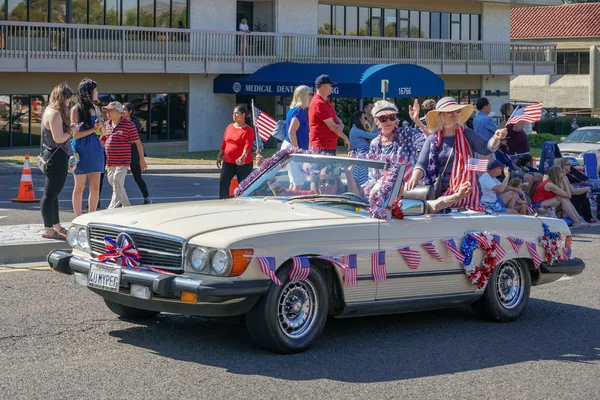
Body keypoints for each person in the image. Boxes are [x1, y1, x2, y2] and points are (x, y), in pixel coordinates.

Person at [406, 97, 507, 211]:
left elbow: (486, 148)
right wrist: (414, 178)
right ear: (441, 116)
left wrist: (496, 138)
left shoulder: (467, 134)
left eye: (457, 111)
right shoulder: (432, 140)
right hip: (441, 197)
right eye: (450, 111)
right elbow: (421, 165)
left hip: (468, 195)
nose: (455, 114)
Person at [40, 83, 76, 239]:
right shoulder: (54, 113)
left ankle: (55, 225)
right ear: (64, 98)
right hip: (56, 157)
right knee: (49, 195)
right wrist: (71, 132)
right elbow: (59, 138)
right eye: (69, 99)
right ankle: (49, 229)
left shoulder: (49, 110)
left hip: (54, 156)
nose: (69, 102)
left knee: (53, 194)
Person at [100, 102, 147, 209]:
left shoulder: (129, 125)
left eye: (110, 110)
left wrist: (141, 160)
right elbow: (102, 140)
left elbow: (138, 143)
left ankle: (110, 210)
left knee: (117, 180)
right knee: (115, 184)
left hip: (123, 161)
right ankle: (127, 207)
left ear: (119, 112)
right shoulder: (106, 124)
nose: (107, 113)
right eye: (106, 110)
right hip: (110, 162)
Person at [70, 78, 105, 217]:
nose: (97, 93)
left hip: (95, 147)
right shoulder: (76, 109)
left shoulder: (96, 109)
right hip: (80, 148)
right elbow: (75, 135)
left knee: (95, 187)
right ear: (89, 92)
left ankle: (92, 215)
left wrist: (101, 127)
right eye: (96, 90)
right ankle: (78, 217)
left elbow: (103, 132)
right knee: (79, 186)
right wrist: (93, 129)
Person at [367, 100, 425, 181]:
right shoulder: (375, 143)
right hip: (384, 189)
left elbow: (430, 142)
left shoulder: (406, 133)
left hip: (409, 189)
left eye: (392, 117)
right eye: (383, 118)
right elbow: (372, 175)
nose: (388, 121)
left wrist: (418, 122)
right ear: (376, 121)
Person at [216, 105, 255, 199]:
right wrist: (219, 157)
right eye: (233, 113)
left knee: (243, 185)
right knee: (223, 181)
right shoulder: (229, 127)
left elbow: (247, 145)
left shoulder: (248, 130)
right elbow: (224, 143)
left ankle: (243, 202)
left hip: (243, 164)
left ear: (243, 115)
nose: (234, 115)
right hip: (228, 162)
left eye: (236, 113)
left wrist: (243, 156)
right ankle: (223, 200)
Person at [308, 74, 349, 155]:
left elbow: (336, 118)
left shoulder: (325, 101)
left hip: (328, 146)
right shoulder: (319, 103)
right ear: (323, 86)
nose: (332, 87)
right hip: (322, 147)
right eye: (330, 85)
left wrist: (340, 125)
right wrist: (345, 138)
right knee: (319, 168)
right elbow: (333, 127)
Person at [281, 85, 311, 189]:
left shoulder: (294, 110)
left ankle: (287, 201)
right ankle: (292, 205)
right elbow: (291, 132)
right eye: (310, 94)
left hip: (289, 146)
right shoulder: (299, 111)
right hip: (293, 147)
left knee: (294, 182)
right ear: (303, 96)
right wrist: (297, 150)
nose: (311, 97)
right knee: (298, 183)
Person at [123, 102, 151, 204]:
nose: (123, 112)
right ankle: (120, 200)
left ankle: (146, 197)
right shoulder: (119, 121)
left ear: (130, 111)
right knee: (119, 179)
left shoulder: (134, 123)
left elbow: (134, 139)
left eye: (125, 110)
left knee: (137, 177)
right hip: (123, 153)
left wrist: (141, 158)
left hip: (133, 152)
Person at [554, 158, 596, 223]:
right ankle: (581, 219)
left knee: (582, 193)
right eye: (569, 164)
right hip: (556, 200)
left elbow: (572, 190)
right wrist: (586, 189)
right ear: (564, 166)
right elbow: (572, 192)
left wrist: (586, 189)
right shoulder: (561, 177)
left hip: (561, 198)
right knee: (573, 197)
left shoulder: (565, 177)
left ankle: (581, 219)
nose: (571, 166)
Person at [349, 110, 378, 184]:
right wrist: (383, 130)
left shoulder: (356, 129)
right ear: (359, 119)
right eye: (364, 118)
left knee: (360, 179)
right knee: (361, 180)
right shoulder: (355, 130)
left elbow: (372, 133)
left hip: (361, 156)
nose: (366, 120)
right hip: (360, 156)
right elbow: (372, 135)